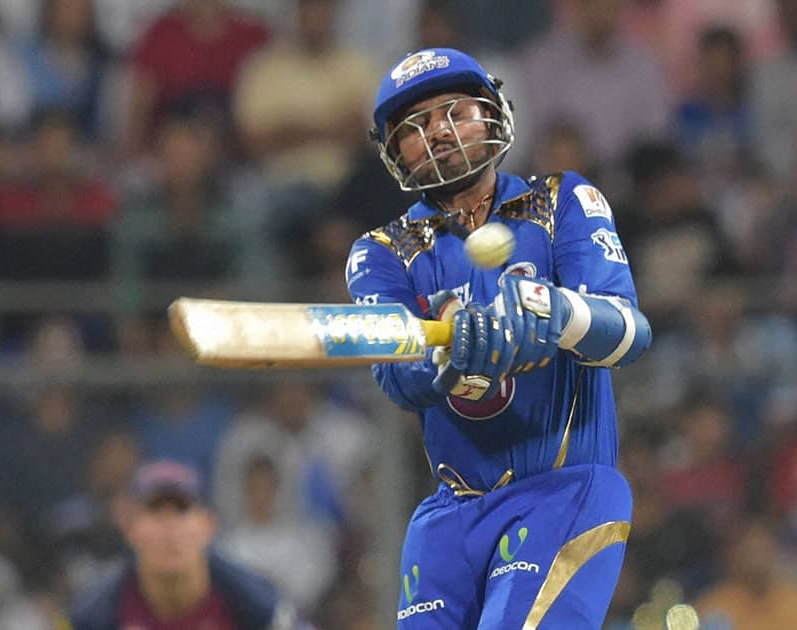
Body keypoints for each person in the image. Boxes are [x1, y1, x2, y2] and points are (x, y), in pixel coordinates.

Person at [345, 48, 653, 628]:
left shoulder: (562, 201)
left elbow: (631, 332)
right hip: (448, 517)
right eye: (414, 125)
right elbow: (395, 376)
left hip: (561, 491)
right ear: (393, 152)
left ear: (493, 114)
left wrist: (553, 311)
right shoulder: (381, 251)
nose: (438, 131)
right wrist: (445, 349)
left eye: (454, 110)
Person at [69, 459, 297, 630]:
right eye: (155, 512)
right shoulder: (95, 613)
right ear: (129, 528)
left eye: (181, 510)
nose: (169, 528)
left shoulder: (257, 602)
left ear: (208, 525)